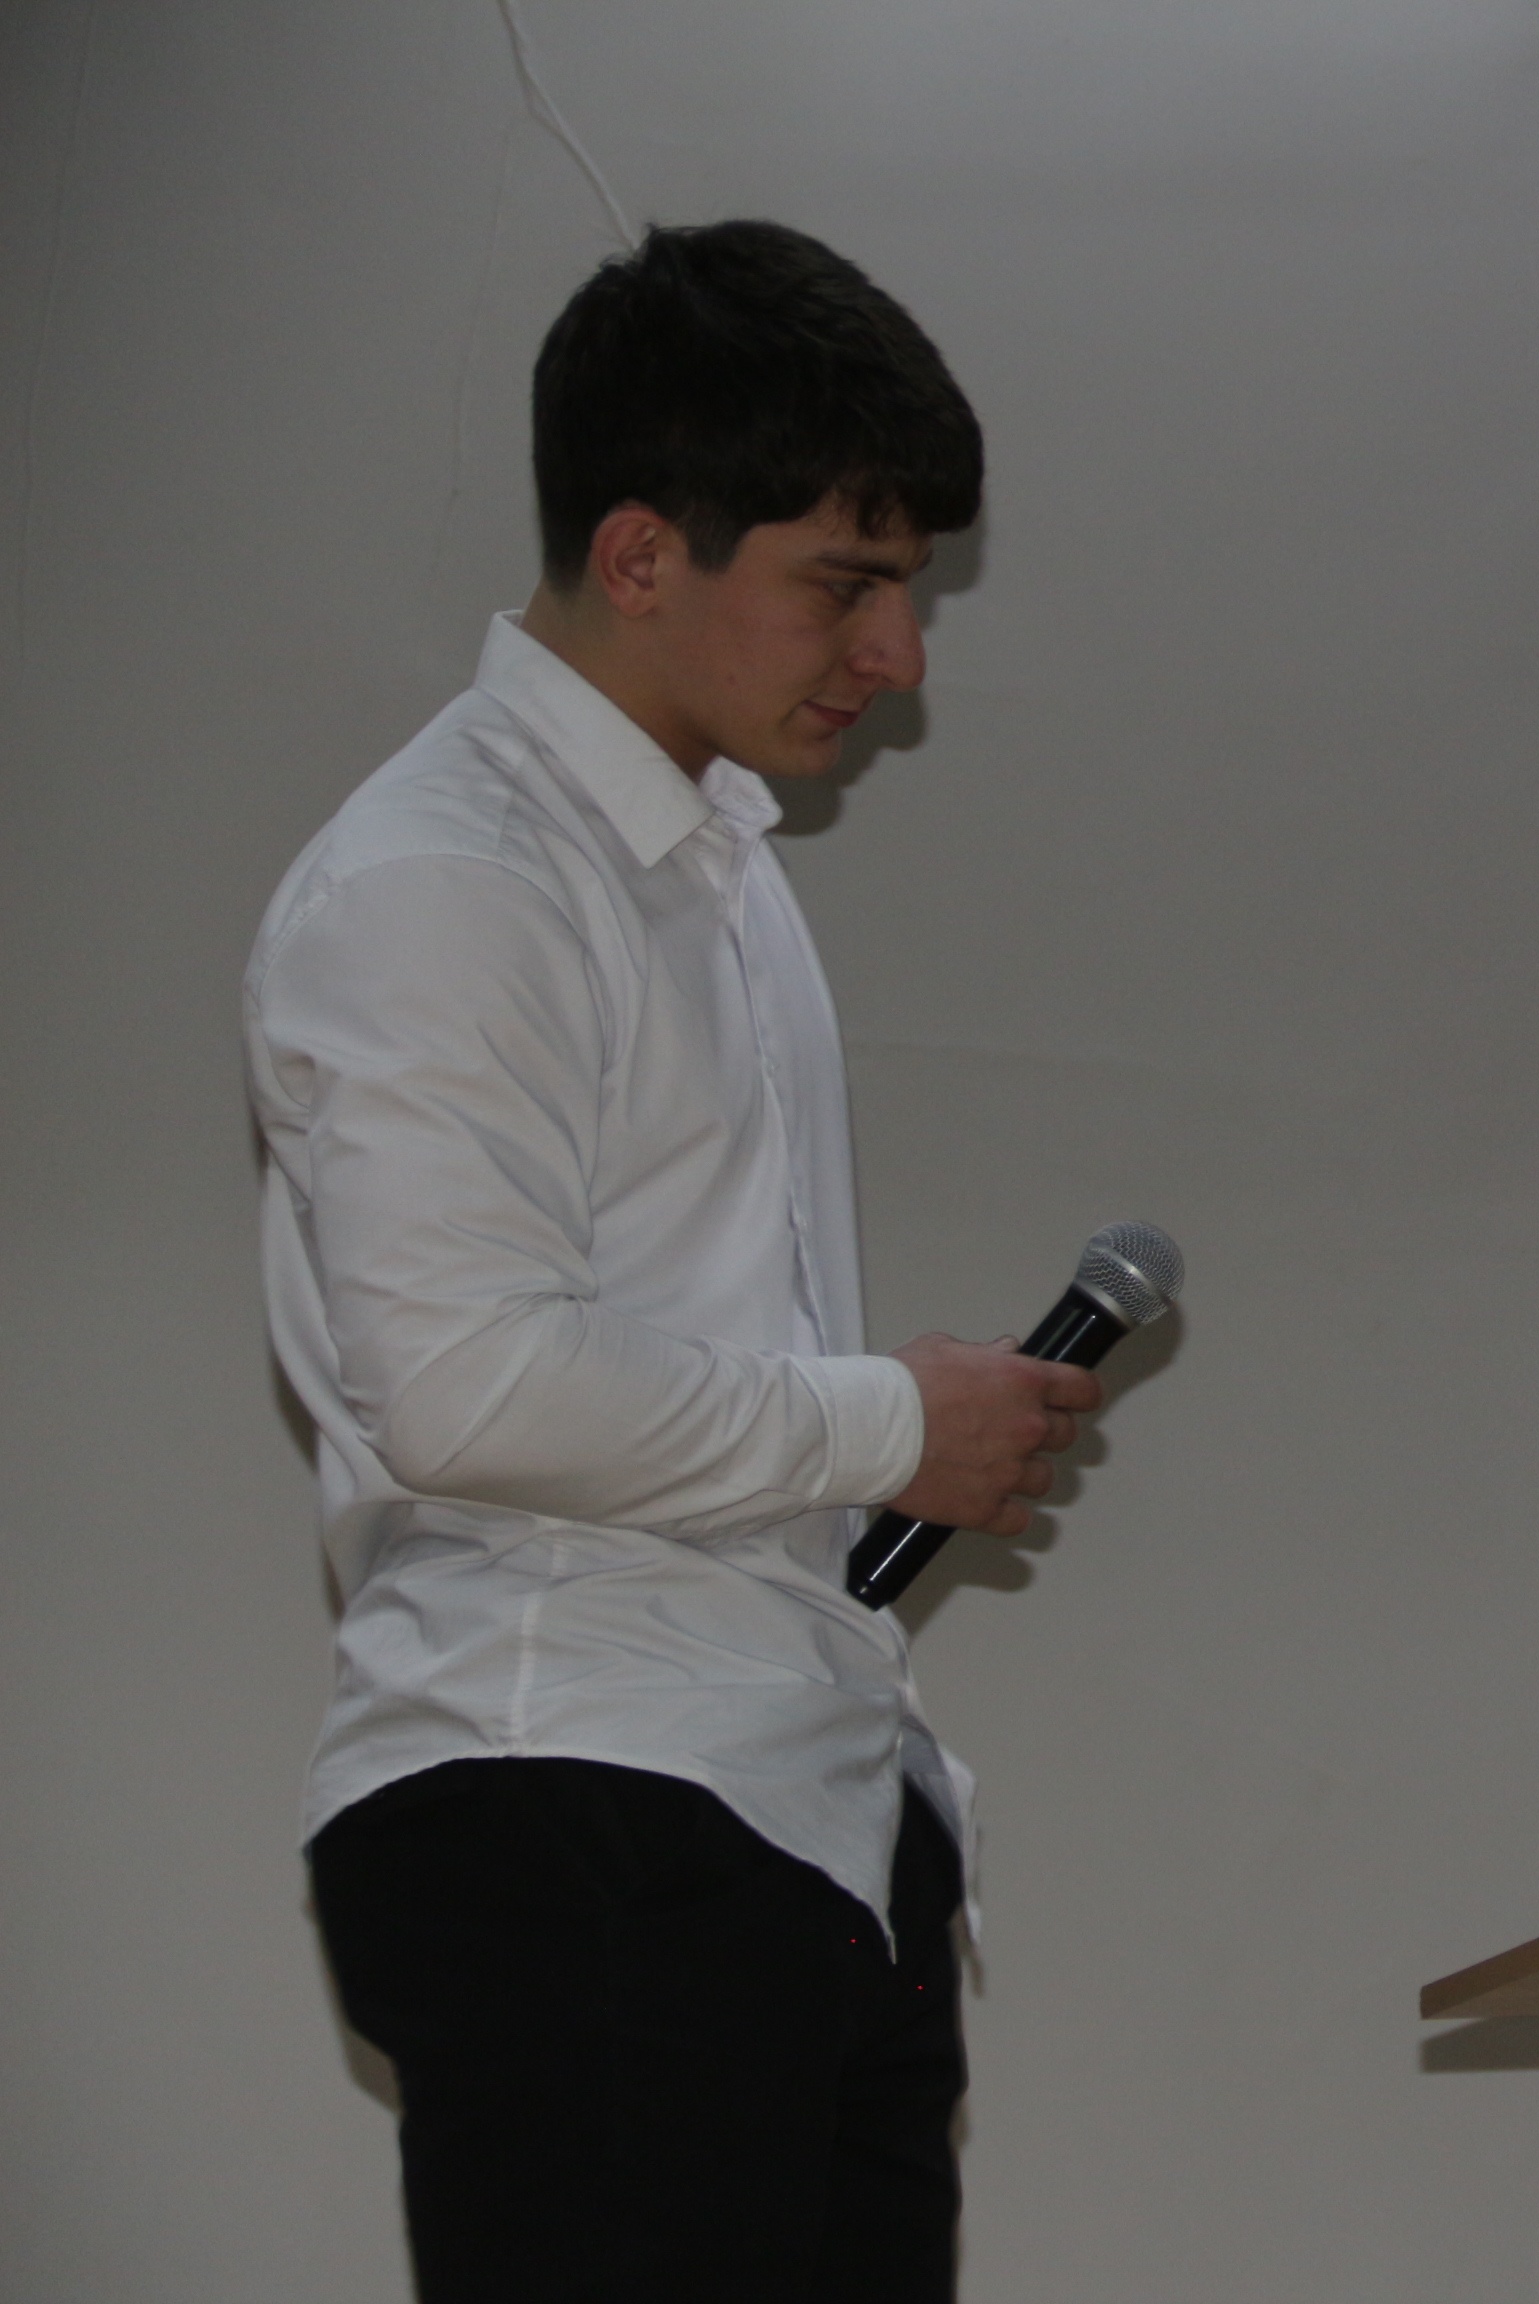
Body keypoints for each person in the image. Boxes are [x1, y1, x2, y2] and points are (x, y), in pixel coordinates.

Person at [247, 221, 1095, 2302]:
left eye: (905, 589)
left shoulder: (717, 871)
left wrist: (873, 1442)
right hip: (576, 1802)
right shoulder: (444, 877)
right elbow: (467, 1385)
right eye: (847, 581)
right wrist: (889, 1421)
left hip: (792, 1808)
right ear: (639, 553)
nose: (895, 653)